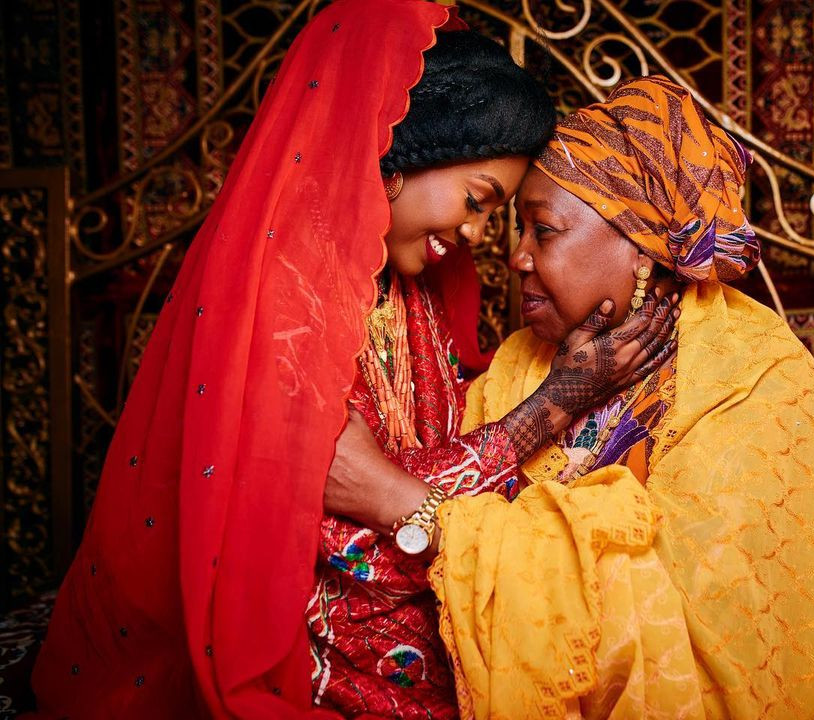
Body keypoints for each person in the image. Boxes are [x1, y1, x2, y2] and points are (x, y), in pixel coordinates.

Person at [31, 3, 675, 717]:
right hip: (311, 635)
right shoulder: (286, 304)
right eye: (478, 201)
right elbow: (344, 532)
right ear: (403, 157)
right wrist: (550, 409)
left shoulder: (402, 287)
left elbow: (392, 482)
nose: (477, 234)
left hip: (409, 592)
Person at [428, 75, 814, 719]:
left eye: (544, 231)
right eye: (517, 231)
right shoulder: (519, 365)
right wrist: (563, 396)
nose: (518, 258)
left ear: (642, 247)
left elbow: (701, 619)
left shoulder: (752, 369)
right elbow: (443, 535)